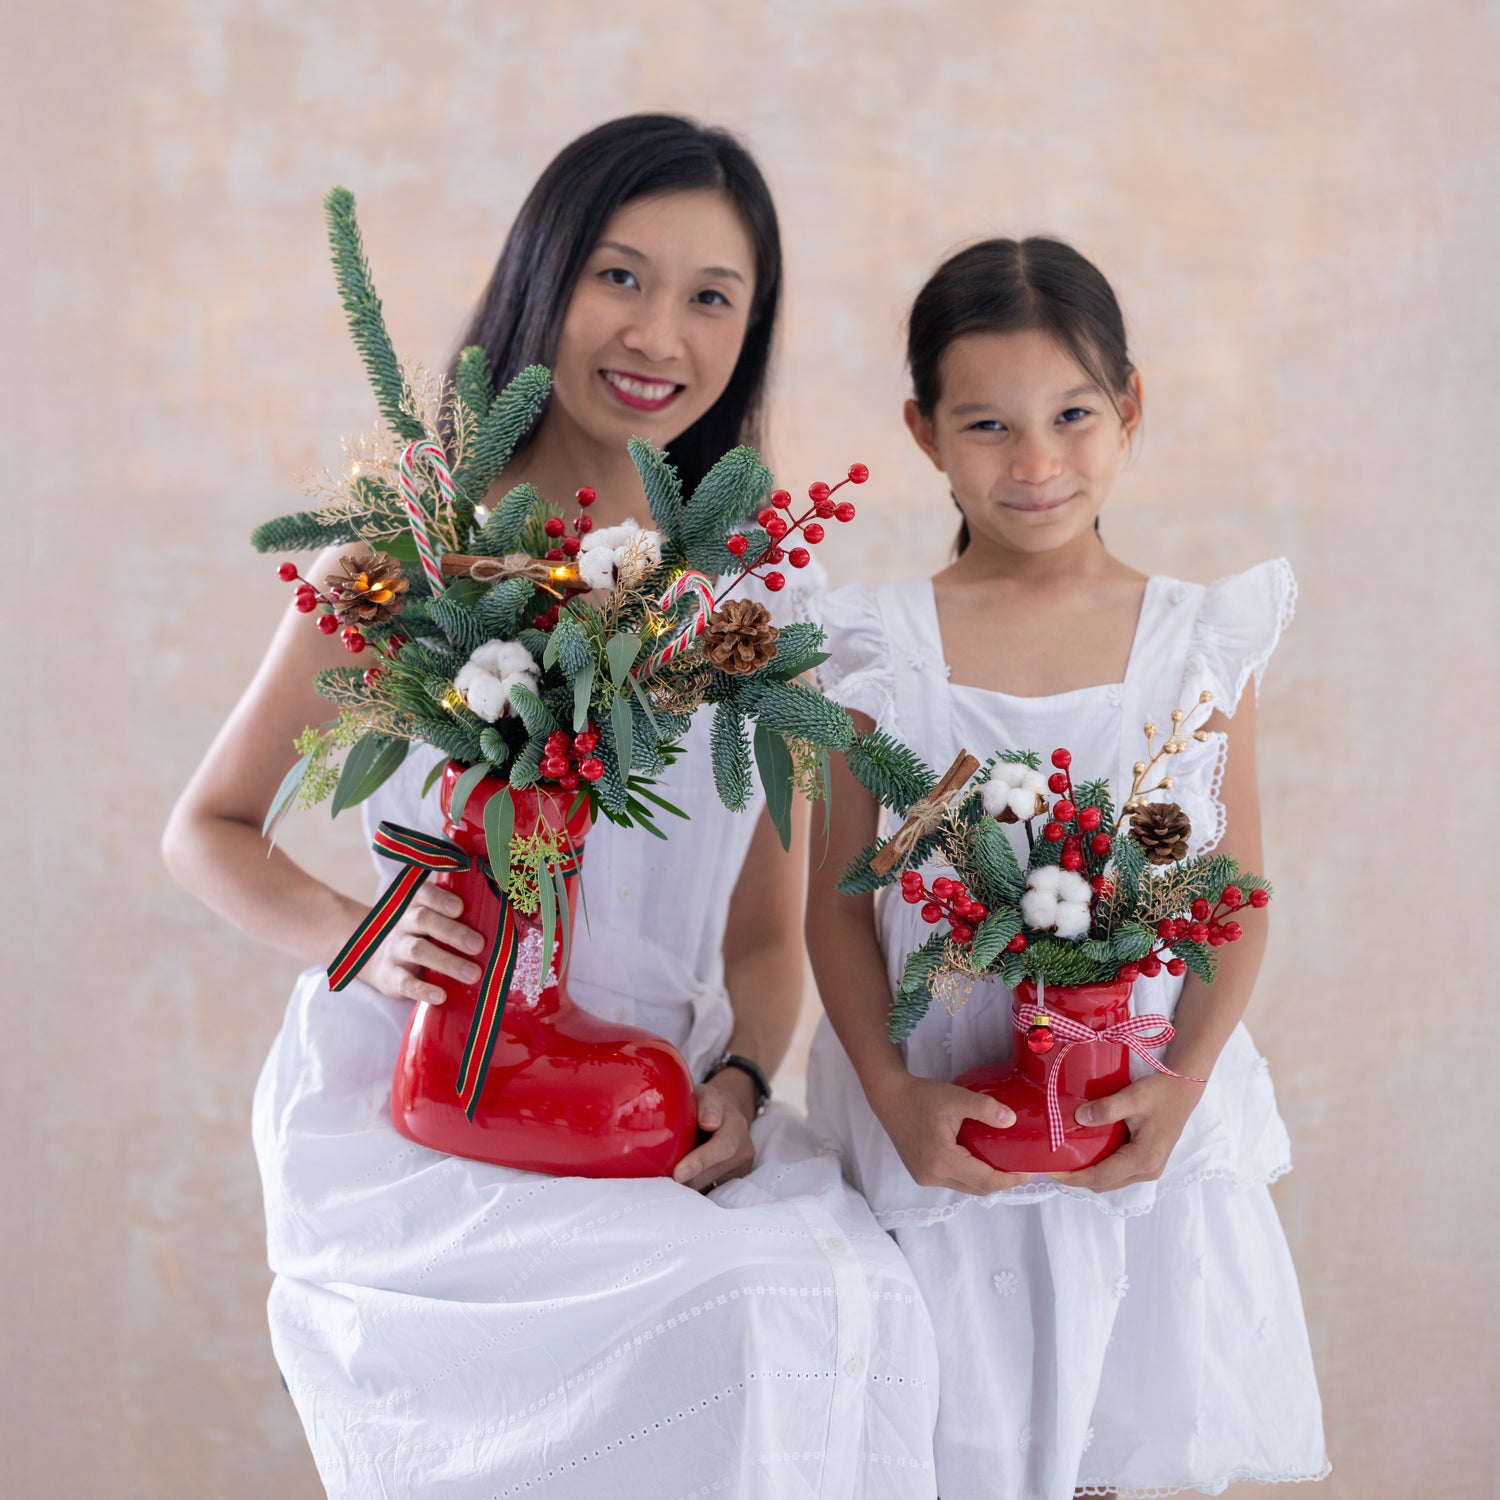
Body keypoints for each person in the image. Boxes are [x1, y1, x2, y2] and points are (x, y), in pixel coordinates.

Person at [163, 115, 938, 1498]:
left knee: (835, 1312)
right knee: (709, 1333)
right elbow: (207, 828)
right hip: (428, 1100)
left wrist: (745, 1085)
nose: (659, 335)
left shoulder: (750, 608)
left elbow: (764, 940)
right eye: (618, 276)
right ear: (544, 276)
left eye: (713, 297)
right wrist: (364, 935)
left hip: (662, 1098)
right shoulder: (409, 557)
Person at [806, 237, 1328, 1499]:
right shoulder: (877, 646)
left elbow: (1235, 894)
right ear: (925, 432)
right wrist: (892, 1095)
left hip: (1133, 1127)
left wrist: (1185, 1081)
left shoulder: (1199, 642)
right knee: (945, 1451)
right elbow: (837, 906)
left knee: (1124, 1448)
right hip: (946, 1126)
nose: (1035, 463)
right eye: (987, 423)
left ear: (1129, 408)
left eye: (1072, 415)